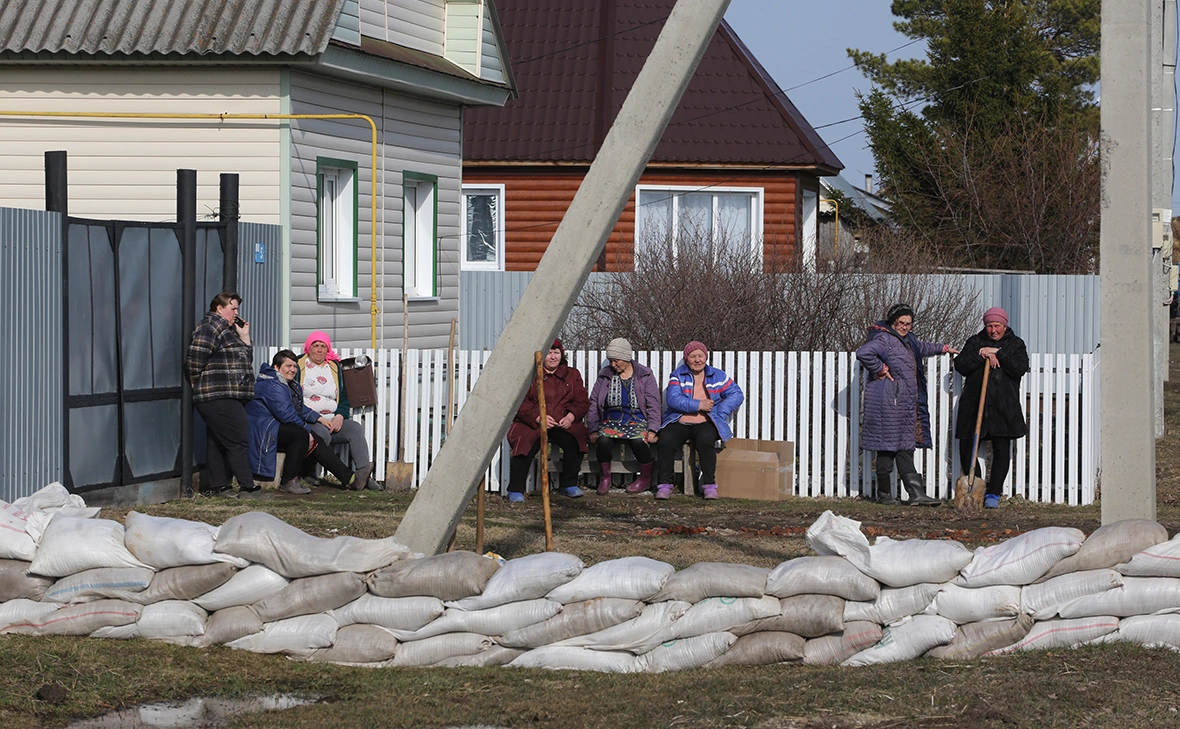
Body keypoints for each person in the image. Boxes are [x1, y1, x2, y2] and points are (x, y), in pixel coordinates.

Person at [856, 304, 957, 506]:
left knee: (905, 445)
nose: (904, 327)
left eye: (908, 324)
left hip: (903, 402)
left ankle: (914, 494)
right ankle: (886, 494)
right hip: (888, 402)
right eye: (901, 323)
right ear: (893, 322)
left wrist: (943, 348)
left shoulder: (906, 341)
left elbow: (920, 348)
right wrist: (881, 369)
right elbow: (863, 353)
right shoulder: (884, 338)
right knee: (887, 447)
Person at [185, 292, 267, 499]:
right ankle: (247, 487)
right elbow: (196, 356)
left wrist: (245, 337)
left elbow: (245, 359)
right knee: (239, 438)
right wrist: (195, 379)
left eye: (237, 309)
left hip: (228, 394)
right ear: (219, 309)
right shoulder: (210, 327)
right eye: (233, 308)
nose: (236, 313)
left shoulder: (229, 331)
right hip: (216, 393)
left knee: (218, 440)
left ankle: (219, 486)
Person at [247, 350, 357, 494]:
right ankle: (289, 480)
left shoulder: (286, 383)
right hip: (263, 430)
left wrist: (319, 418)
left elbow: (298, 407)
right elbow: (286, 413)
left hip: (274, 425)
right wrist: (307, 430)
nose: (292, 369)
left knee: (312, 437)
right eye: (288, 366)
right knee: (300, 434)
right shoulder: (273, 385)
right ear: (276, 367)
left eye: (294, 366)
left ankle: (348, 477)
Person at [955, 307, 1030, 509]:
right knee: (966, 448)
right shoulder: (974, 342)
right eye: (989, 325)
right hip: (974, 405)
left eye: (997, 325)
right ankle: (975, 487)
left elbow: (1020, 368)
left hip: (1003, 405)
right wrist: (981, 355)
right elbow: (961, 365)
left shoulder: (1015, 344)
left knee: (1001, 449)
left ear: (1004, 325)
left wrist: (999, 353)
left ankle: (993, 494)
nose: (993, 330)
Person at [654, 341, 744, 500]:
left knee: (705, 440)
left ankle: (709, 485)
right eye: (692, 356)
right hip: (679, 420)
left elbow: (736, 394)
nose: (697, 360)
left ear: (706, 357)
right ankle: (665, 485)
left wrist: (720, 412)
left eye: (700, 356)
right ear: (686, 358)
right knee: (666, 440)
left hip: (706, 422)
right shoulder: (677, 375)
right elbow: (673, 399)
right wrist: (699, 405)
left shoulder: (718, 375)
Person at [505, 339, 590, 502]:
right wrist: (538, 417)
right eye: (549, 352)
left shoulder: (572, 375)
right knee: (524, 443)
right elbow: (520, 402)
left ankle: (569, 484)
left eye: (556, 353)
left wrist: (571, 417)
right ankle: (516, 489)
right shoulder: (530, 375)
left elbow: (582, 401)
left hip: (562, 421)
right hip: (534, 422)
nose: (553, 357)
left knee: (576, 438)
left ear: (562, 355)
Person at [297, 331, 375, 490]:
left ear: (328, 349)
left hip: (332, 419)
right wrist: (318, 419)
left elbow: (344, 397)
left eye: (323, 346)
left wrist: (339, 416)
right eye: (315, 345)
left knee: (354, 428)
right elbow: (294, 399)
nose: (319, 350)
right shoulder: (298, 365)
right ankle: (308, 471)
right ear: (308, 348)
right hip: (310, 420)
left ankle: (363, 475)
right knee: (322, 434)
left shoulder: (334, 367)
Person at [587, 338, 662, 495]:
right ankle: (605, 477)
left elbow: (653, 404)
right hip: (611, 420)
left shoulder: (644, 375)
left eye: (616, 360)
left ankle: (645, 478)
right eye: (611, 361)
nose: (613, 364)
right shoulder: (605, 375)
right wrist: (593, 428)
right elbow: (594, 402)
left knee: (638, 441)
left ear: (626, 357)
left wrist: (653, 429)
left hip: (637, 419)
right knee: (603, 440)